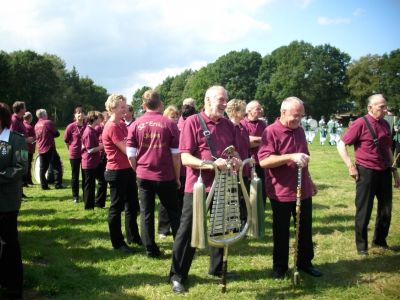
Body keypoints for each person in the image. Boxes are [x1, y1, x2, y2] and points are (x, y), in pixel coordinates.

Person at [169, 85, 241, 294]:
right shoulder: (192, 122)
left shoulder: (229, 125)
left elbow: (233, 152)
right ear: (207, 100)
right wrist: (210, 165)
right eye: (221, 99)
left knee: (221, 227)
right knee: (188, 231)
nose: (225, 103)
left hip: (223, 183)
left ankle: (217, 268)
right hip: (198, 187)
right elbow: (185, 158)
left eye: (226, 99)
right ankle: (177, 275)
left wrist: (235, 161)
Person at [258, 96, 322, 279]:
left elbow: (303, 160)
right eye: (295, 116)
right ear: (283, 112)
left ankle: (305, 263)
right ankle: (279, 267)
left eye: (301, 116)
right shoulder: (270, 131)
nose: (298, 120)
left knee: (304, 229)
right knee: (281, 232)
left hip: (303, 190)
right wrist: (289, 156)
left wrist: (310, 182)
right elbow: (264, 161)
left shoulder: (300, 130)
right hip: (281, 192)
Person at [337, 94, 400, 255]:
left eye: (386, 106)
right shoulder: (360, 123)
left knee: (386, 209)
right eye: (381, 107)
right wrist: (350, 166)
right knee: (364, 210)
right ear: (370, 108)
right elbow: (341, 144)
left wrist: (395, 173)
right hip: (366, 172)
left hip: (385, 171)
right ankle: (362, 246)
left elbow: (387, 149)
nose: (385, 110)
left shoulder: (386, 124)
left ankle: (379, 240)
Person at [127, 90, 182, 258]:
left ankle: (150, 249)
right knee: (174, 211)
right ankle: (180, 248)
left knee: (146, 213)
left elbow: (130, 154)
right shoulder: (170, 124)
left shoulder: (135, 124)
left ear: (143, 105)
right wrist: (177, 177)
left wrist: (138, 170)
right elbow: (176, 155)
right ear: (161, 104)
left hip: (143, 175)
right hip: (165, 175)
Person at [102, 94, 141, 254]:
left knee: (132, 205)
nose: (125, 109)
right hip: (116, 171)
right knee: (116, 208)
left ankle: (134, 237)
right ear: (112, 108)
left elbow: (133, 144)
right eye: (122, 107)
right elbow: (127, 149)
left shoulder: (122, 124)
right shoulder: (112, 126)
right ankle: (118, 242)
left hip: (127, 170)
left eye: (125, 106)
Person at [0, 102, 28, 299]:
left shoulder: (16, 140)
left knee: (9, 243)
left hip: (6, 201)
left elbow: (21, 167)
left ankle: (13, 285)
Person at [157, 104, 181, 239]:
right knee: (165, 202)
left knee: (178, 201)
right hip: (167, 169)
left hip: (180, 168)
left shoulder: (181, 129)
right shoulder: (164, 130)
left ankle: (178, 227)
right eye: (172, 117)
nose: (176, 119)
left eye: (177, 116)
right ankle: (163, 229)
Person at [226, 99, 251, 226]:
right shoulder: (228, 128)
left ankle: (243, 222)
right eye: (243, 110)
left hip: (245, 168)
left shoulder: (243, 127)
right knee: (233, 197)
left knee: (244, 196)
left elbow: (246, 147)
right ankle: (233, 223)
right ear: (235, 111)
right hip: (233, 170)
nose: (246, 113)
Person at [240, 100, 267, 204]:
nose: (261, 110)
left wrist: (255, 140)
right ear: (249, 111)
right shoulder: (243, 123)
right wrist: (263, 140)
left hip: (262, 163)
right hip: (248, 164)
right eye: (257, 108)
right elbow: (246, 142)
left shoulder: (263, 124)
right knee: (248, 192)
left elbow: (269, 141)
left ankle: (260, 216)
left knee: (262, 191)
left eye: (260, 108)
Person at [34, 109, 63, 190]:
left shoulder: (36, 125)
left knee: (42, 168)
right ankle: (58, 184)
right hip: (49, 147)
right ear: (43, 115)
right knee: (57, 165)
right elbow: (56, 133)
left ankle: (44, 185)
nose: (47, 115)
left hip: (40, 148)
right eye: (46, 114)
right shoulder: (47, 122)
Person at [10, 101, 34, 198]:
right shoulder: (14, 121)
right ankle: (16, 193)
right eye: (24, 108)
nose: (26, 109)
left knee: (23, 170)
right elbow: (11, 137)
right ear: (20, 109)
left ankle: (20, 192)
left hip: (24, 149)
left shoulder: (20, 120)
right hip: (17, 151)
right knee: (18, 171)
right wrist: (26, 139)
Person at [81, 111, 104, 210]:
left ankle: (97, 203)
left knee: (102, 180)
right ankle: (88, 206)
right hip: (89, 162)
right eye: (99, 118)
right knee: (89, 185)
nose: (100, 120)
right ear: (94, 119)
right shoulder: (89, 132)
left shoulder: (92, 130)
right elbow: (90, 149)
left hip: (95, 162)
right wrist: (102, 146)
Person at [64, 106, 85, 202]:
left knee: (86, 176)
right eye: (78, 112)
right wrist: (71, 150)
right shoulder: (71, 126)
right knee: (75, 176)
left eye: (82, 112)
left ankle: (86, 194)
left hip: (85, 154)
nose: (80, 114)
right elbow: (66, 141)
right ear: (75, 115)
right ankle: (75, 196)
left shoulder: (87, 126)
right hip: (74, 154)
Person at [23, 112, 36, 186]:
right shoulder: (29, 127)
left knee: (24, 164)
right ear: (30, 118)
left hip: (23, 149)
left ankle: (26, 181)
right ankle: (28, 181)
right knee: (28, 165)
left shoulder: (22, 125)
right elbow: (34, 138)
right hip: (29, 149)